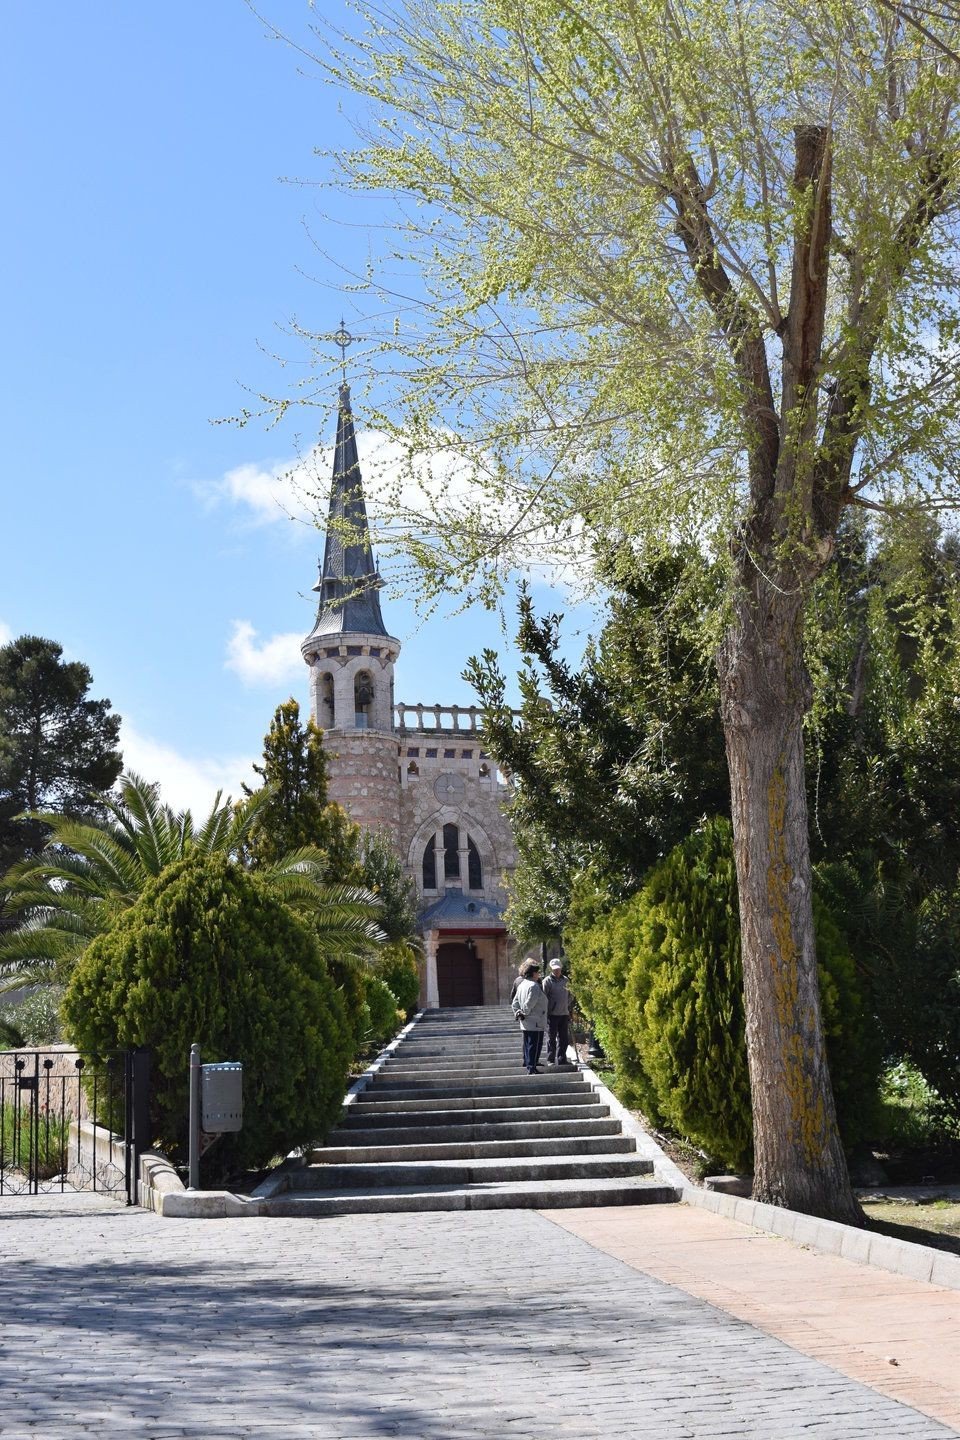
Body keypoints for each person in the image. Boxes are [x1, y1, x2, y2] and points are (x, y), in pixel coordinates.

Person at [511, 959, 548, 1073]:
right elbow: (530, 1002)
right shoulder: (534, 986)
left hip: (526, 1021)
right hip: (535, 1020)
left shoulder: (522, 985)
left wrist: (518, 1012)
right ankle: (532, 1068)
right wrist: (524, 1012)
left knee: (528, 1044)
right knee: (534, 1045)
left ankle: (529, 1065)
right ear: (533, 973)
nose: (539, 975)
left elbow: (515, 1002)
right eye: (537, 972)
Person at [543, 958, 573, 1066]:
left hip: (564, 1014)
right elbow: (544, 997)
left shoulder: (566, 980)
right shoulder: (547, 981)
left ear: (561, 968)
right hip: (552, 1015)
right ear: (551, 969)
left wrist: (566, 1005)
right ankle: (550, 1059)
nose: (557, 971)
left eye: (558, 969)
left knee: (563, 1038)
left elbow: (570, 995)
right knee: (551, 1038)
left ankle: (562, 1059)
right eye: (555, 969)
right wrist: (548, 1009)